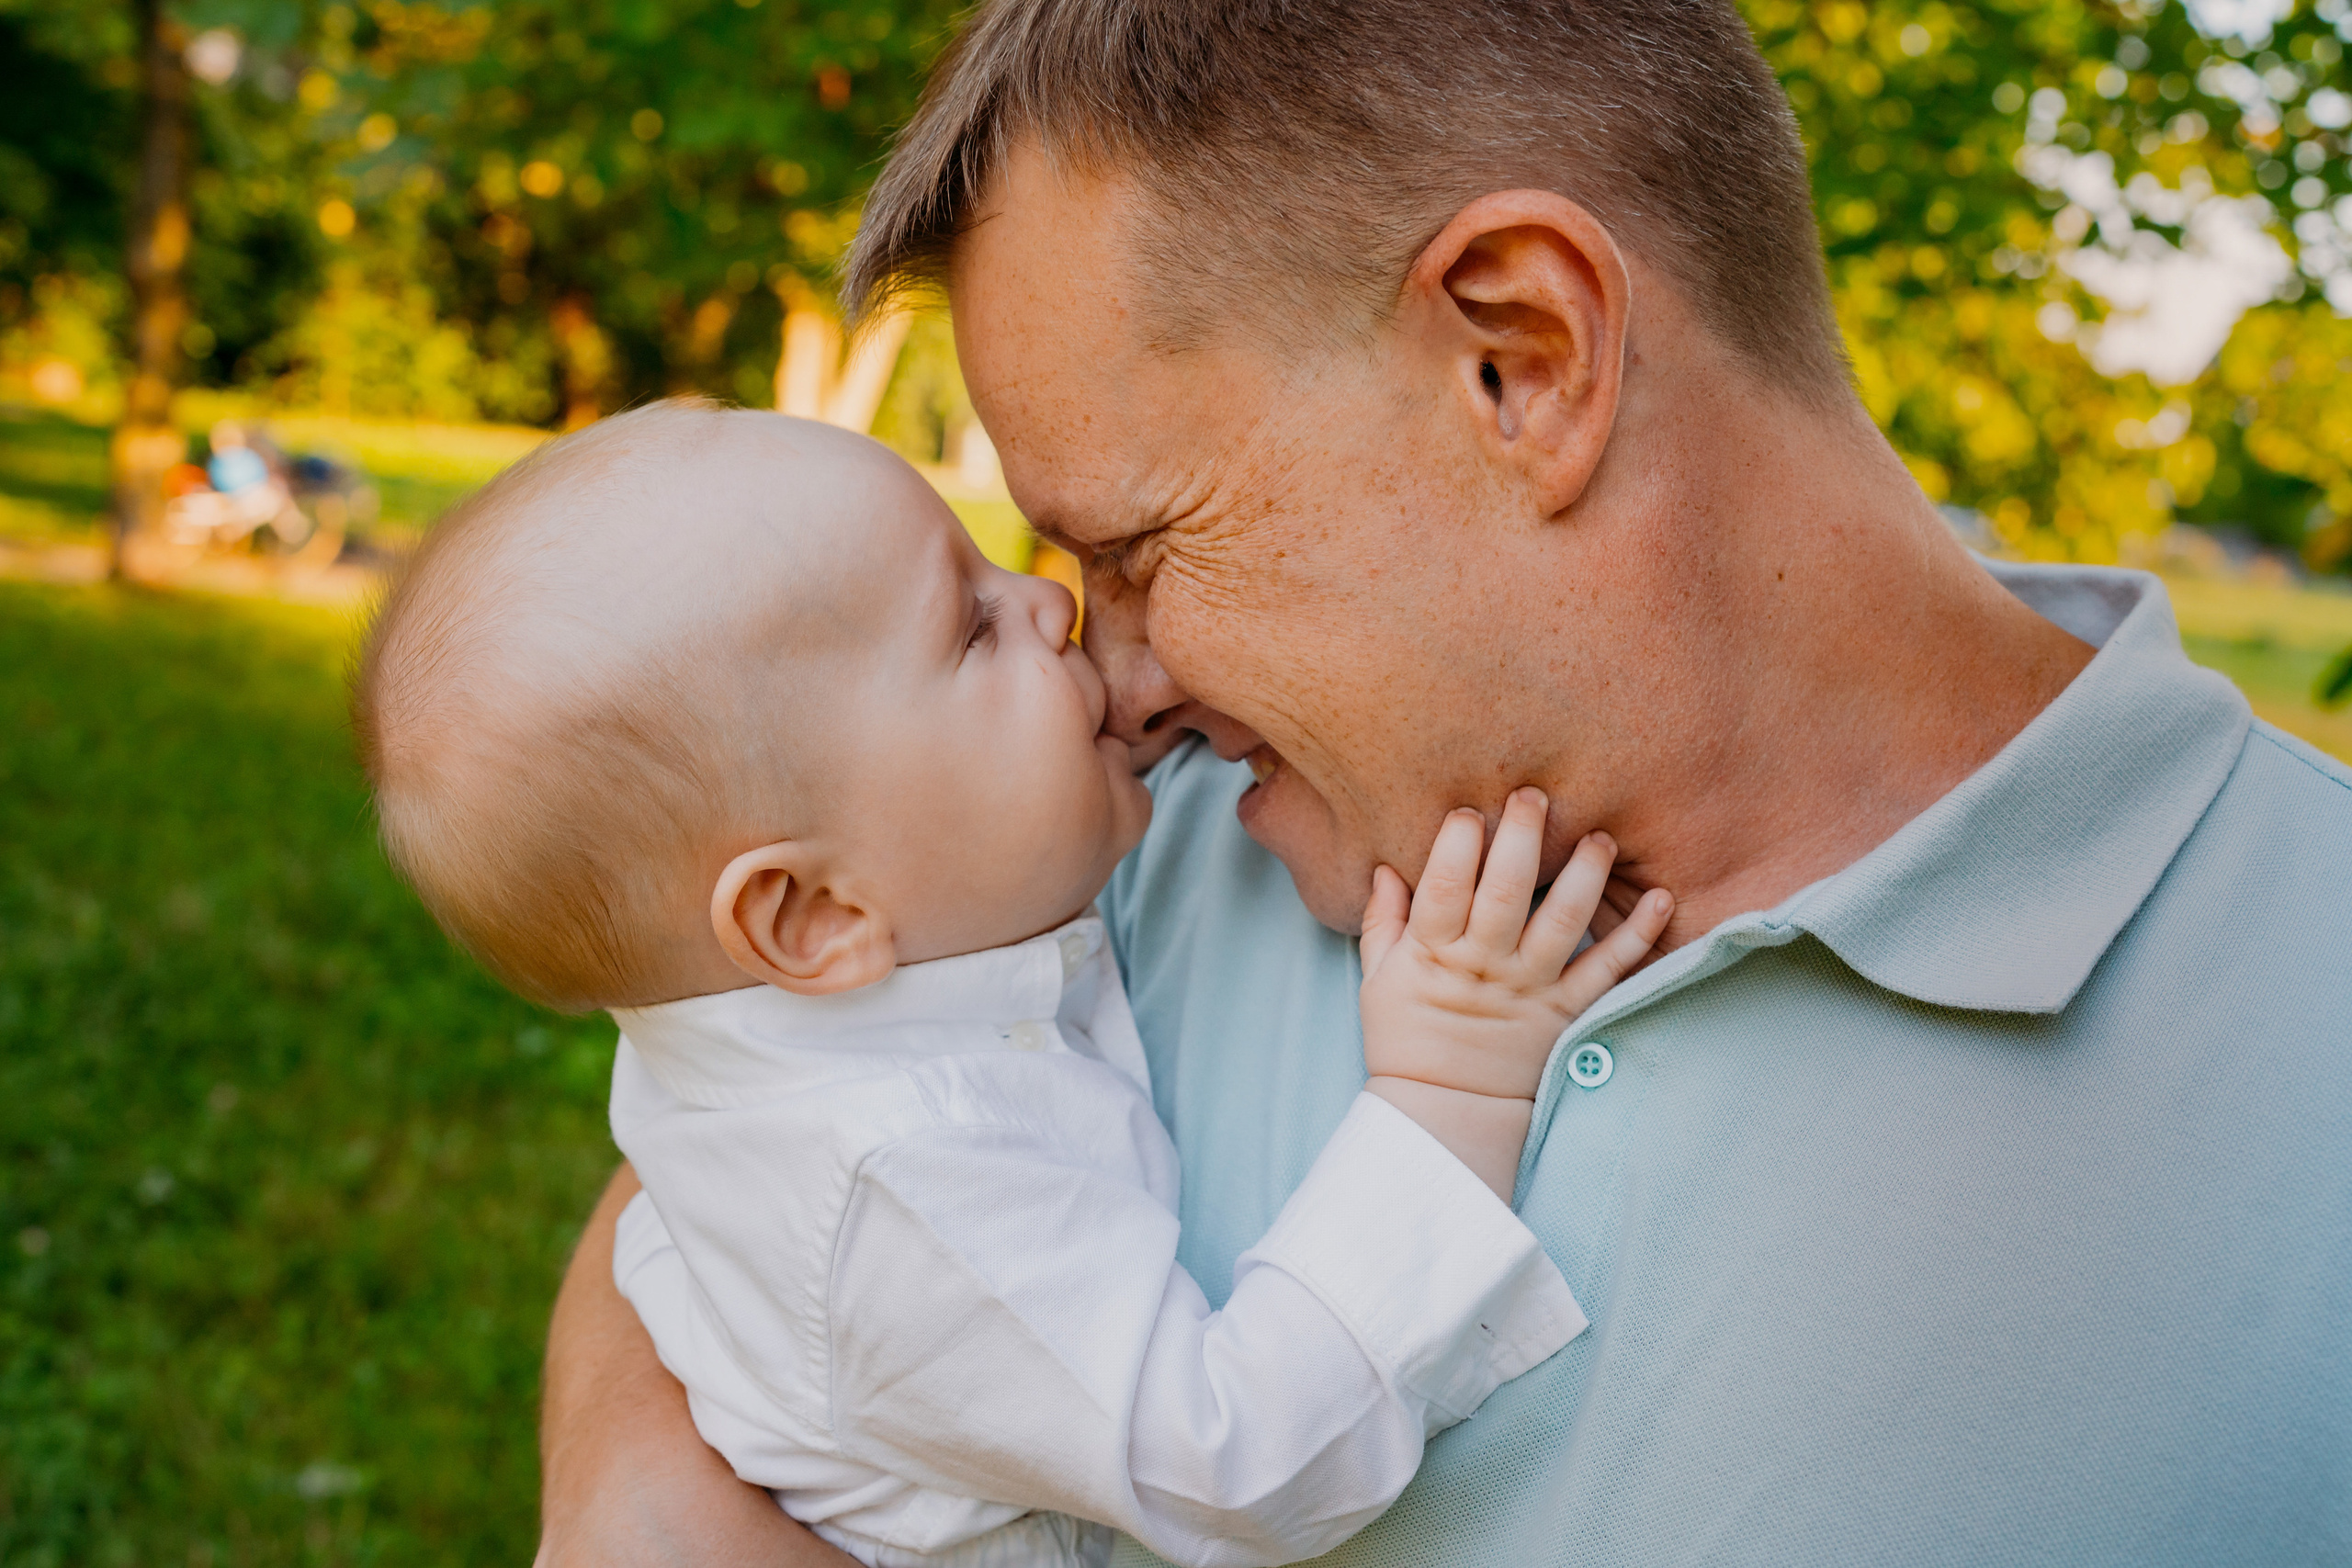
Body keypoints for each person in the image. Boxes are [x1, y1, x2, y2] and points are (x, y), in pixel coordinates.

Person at [537, 2, 2352, 1562]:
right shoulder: (1109, 829)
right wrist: (638, 1479)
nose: (1113, 676)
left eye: (1137, 547)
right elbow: (765, 1115)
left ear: (1517, 356)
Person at [354, 401, 1673, 1568]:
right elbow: (1238, 1463)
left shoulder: (874, 965)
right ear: (813, 916)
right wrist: (1451, 1079)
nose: (1052, 607)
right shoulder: (907, 1192)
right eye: (971, 629)